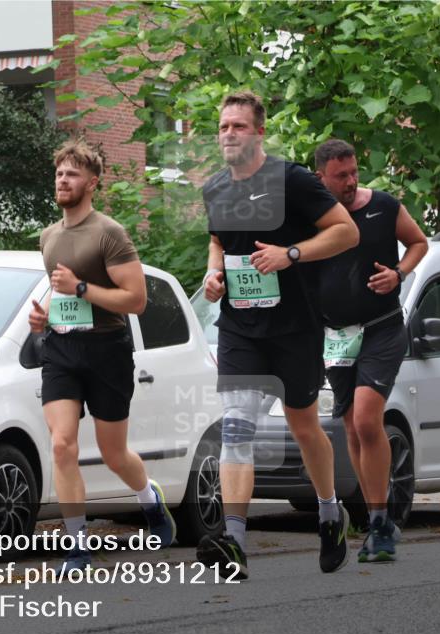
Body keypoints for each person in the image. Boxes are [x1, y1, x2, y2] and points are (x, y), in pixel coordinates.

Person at [198, 92, 360, 579]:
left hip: (294, 326)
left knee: (304, 426)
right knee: (236, 424)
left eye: (239, 127)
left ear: (259, 133)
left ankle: (330, 511)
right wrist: (213, 275)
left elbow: (345, 232)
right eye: (223, 126)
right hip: (241, 327)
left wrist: (290, 254)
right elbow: (219, 242)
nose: (229, 134)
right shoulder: (215, 188)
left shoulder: (292, 180)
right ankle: (234, 540)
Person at [29, 138, 176, 573]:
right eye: (59, 173)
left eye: (72, 174)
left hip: (107, 350)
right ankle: (77, 547)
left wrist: (78, 287)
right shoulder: (49, 236)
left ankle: (149, 500)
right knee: (62, 445)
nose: (62, 180)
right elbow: (61, 298)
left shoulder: (108, 233)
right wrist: (45, 320)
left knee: (114, 454)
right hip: (61, 349)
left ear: (92, 183)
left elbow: (136, 301)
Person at [313, 138, 428, 562]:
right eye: (341, 175)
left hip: (382, 328)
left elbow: (419, 242)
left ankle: (380, 521)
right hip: (335, 336)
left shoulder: (383, 205)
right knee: (351, 427)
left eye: (354, 171)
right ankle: (378, 521)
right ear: (321, 176)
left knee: (366, 418)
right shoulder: (313, 217)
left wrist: (398, 273)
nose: (351, 181)